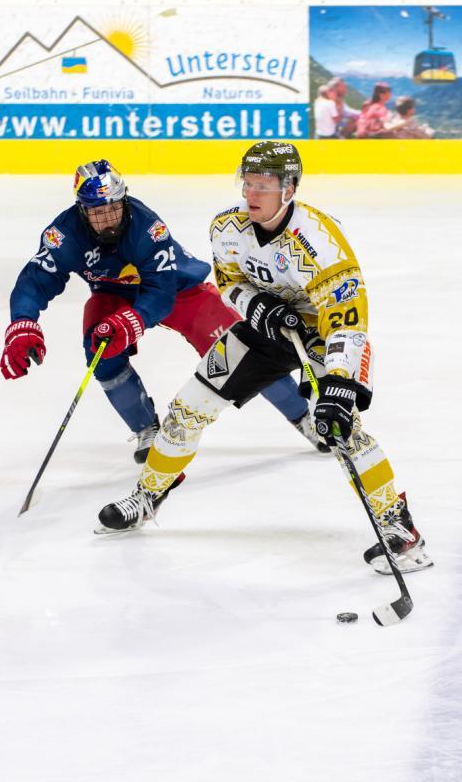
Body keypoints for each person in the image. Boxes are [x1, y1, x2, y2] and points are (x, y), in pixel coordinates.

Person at [96, 142, 432, 576]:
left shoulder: (320, 240)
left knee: (343, 428)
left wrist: (338, 383)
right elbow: (230, 282)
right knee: (187, 411)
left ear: (289, 188)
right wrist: (258, 307)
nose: (251, 194)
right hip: (265, 332)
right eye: (248, 183)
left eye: (263, 186)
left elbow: (347, 320)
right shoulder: (227, 227)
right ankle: (147, 496)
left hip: (324, 337)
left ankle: (399, 528)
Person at [0, 159, 327, 462]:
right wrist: (23, 322)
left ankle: (304, 416)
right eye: (97, 211)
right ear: (81, 210)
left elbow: (160, 292)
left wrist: (133, 320)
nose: (108, 218)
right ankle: (146, 429)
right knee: (99, 348)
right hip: (113, 294)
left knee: (243, 353)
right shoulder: (63, 234)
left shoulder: (147, 227)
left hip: (179, 290)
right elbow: (36, 279)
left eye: (114, 207)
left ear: (124, 199)